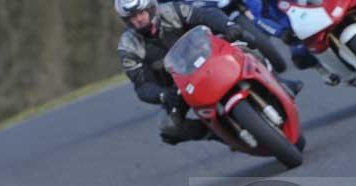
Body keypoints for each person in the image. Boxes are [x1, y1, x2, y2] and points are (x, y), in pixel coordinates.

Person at [116, 0, 302, 145]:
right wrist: (163, 94)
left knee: (243, 47)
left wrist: (228, 27)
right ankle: (220, 133)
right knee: (168, 128)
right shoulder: (129, 46)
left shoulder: (173, 11)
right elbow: (142, 86)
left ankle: (279, 83)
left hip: (209, 57)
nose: (138, 19)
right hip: (178, 87)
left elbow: (205, 15)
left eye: (140, 13)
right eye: (132, 17)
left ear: (151, 8)